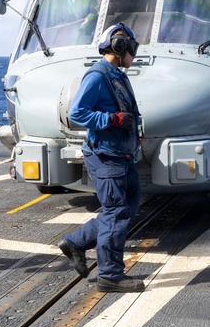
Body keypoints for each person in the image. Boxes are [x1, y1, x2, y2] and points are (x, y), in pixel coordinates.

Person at [58, 23, 145, 292]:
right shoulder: (97, 76)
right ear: (119, 47)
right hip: (106, 155)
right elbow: (77, 113)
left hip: (122, 154)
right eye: (131, 48)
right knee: (116, 212)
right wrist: (111, 119)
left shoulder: (118, 75)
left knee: (128, 205)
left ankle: (76, 242)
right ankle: (110, 274)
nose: (133, 53)